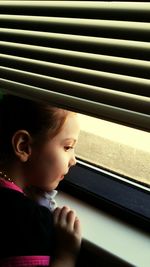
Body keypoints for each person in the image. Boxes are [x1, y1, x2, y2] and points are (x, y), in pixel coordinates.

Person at [0, 94, 82, 267]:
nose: (73, 160)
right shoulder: (28, 221)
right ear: (23, 146)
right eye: (67, 147)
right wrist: (66, 256)